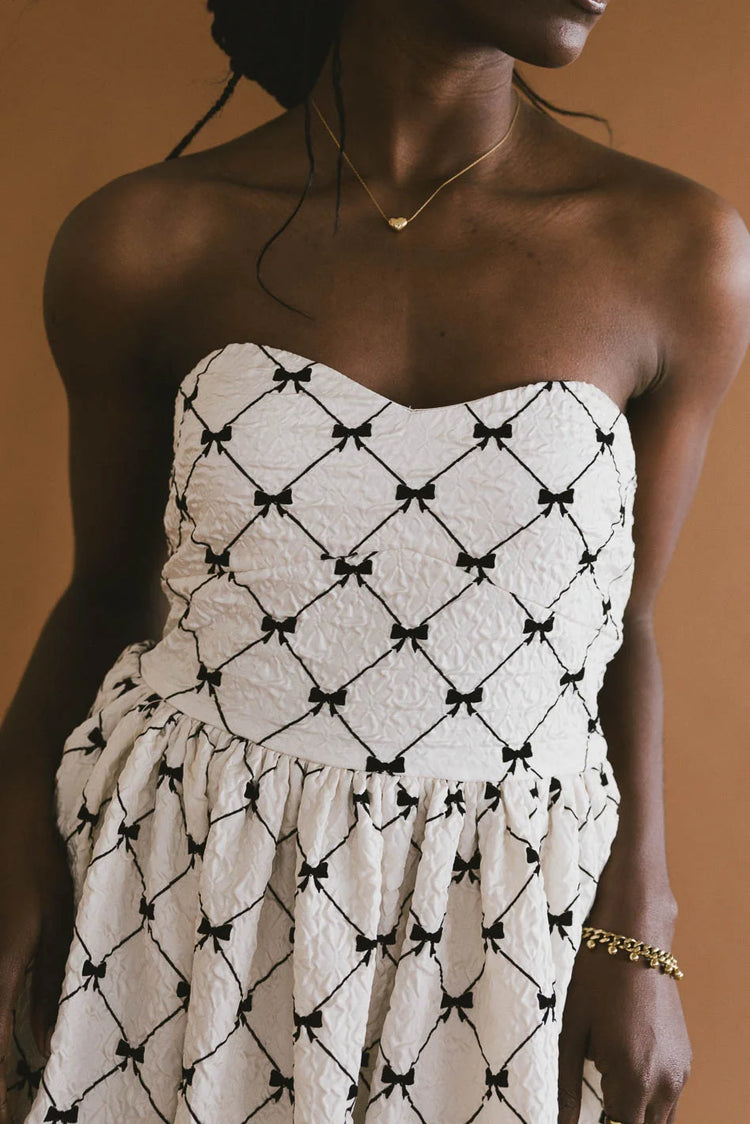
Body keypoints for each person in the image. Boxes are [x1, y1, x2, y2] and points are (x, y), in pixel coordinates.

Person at [2, 0, 749, 1121]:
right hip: (186, 882)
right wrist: (10, 846)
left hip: (500, 918)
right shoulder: (147, 237)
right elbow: (108, 586)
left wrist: (637, 925)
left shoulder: (677, 249)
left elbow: (623, 623)